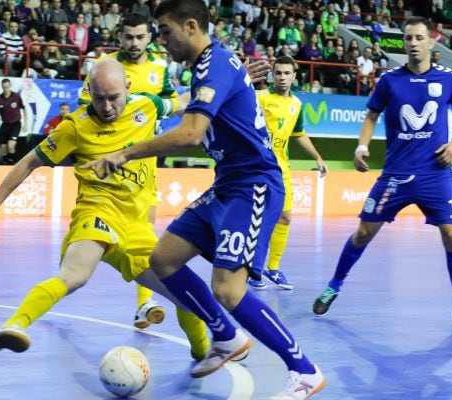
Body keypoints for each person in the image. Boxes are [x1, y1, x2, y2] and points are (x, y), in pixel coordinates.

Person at [83, 1, 326, 397]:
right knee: (163, 258)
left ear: (190, 25)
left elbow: (192, 133)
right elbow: (199, 106)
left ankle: (304, 370)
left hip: (254, 184)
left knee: (228, 289)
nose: (161, 42)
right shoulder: (208, 67)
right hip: (227, 183)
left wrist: (125, 152)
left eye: (164, 32)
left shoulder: (214, 63)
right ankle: (226, 336)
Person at [0, 59, 212, 365]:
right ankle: (15, 325)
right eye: (99, 97)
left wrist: (228, 87)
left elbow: (185, 102)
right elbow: (27, 163)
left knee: (182, 292)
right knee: (74, 275)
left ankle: (203, 352)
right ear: (88, 90)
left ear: (128, 89)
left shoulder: (148, 106)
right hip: (96, 214)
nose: (106, 106)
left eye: (113, 98)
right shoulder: (75, 126)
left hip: (137, 227)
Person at [311, 17, 452, 332]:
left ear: (431, 42)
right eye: (407, 38)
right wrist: (361, 147)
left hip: (435, 174)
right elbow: (371, 116)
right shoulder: (388, 81)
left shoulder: (451, 80)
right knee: (363, 232)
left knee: (451, 233)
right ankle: (334, 285)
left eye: (418, 38)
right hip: (396, 174)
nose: (412, 43)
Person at [78, 12, 179, 330]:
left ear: (150, 37)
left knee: (145, 235)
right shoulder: (104, 68)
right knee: (107, 238)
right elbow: (85, 108)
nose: (133, 43)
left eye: (139, 37)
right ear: (118, 37)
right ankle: (74, 268)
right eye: (127, 37)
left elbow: (173, 101)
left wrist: (156, 116)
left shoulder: (159, 70)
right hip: (108, 167)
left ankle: (143, 304)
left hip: (144, 166)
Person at [248, 56, 328, 291]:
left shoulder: (297, 104)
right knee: (259, 220)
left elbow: (299, 133)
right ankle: (254, 270)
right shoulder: (259, 98)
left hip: (282, 169)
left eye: (287, 73)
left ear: (294, 76)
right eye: (278, 73)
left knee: (285, 217)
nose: (282, 77)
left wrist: (317, 156)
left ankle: (272, 269)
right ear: (272, 74)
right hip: (258, 167)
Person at [0, 78, 28, 165]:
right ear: (2, 87)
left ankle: (13, 164)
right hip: (5, 125)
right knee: (3, 148)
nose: (6, 89)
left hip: (16, 124)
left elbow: (24, 109)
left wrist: (26, 123)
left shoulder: (16, 96)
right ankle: (5, 164)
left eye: (7, 87)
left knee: (11, 145)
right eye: (4, 87)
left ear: (10, 86)